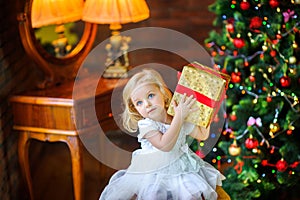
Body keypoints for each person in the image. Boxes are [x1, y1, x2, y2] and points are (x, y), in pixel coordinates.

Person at [99, 68, 230, 200]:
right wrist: (180, 116)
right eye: (139, 103)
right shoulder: (147, 125)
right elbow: (164, 145)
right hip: (155, 174)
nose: (147, 104)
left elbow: (202, 135)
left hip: (183, 167)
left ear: (162, 93)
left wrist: (205, 112)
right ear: (135, 109)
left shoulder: (178, 115)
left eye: (151, 95)